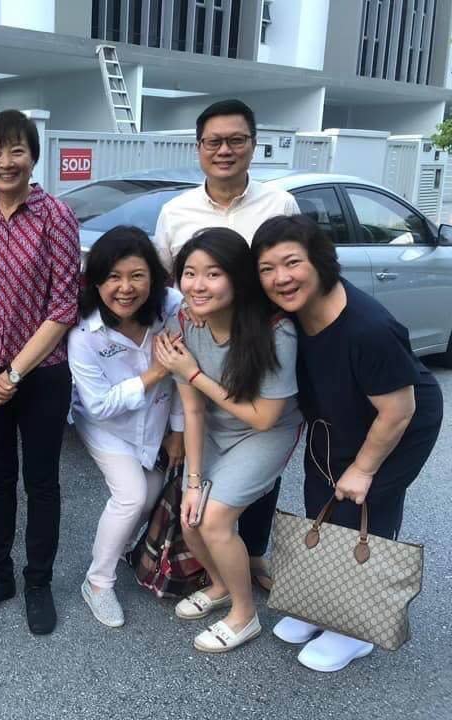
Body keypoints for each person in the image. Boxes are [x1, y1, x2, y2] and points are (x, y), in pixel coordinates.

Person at [252, 214, 442, 671]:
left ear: (320, 261)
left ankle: (356, 629)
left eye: (292, 263)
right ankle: (321, 608)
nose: (281, 278)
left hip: (395, 425)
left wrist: (364, 468)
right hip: (336, 423)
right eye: (266, 269)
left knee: (366, 514)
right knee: (323, 504)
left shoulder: (367, 328)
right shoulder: (292, 318)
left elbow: (399, 410)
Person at [152, 98, 300, 590]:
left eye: (236, 140)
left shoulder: (279, 204)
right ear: (198, 148)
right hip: (204, 347)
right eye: (213, 141)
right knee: (210, 467)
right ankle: (227, 561)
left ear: (253, 145)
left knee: (262, 465)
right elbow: (165, 284)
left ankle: (250, 555)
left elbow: (297, 274)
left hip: (263, 349)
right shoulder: (176, 212)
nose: (224, 150)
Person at [0, 109, 81, 635]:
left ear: (33, 156)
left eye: (16, 150)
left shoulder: (56, 217)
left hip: (42, 376)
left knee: (42, 482)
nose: (6, 161)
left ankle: (38, 581)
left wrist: (14, 374)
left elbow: (64, 307)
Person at [154, 227, 303, 653]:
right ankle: (219, 584)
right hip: (214, 427)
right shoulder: (184, 320)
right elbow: (194, 408)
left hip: (266, 434)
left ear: (238, 278)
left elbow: (264, 416)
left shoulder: (276, 331)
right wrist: (194, 479)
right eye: (189, 273)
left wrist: (194, 374)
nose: (197, 285)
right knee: (192, 515)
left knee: (216, 520)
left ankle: (244, 614)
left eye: (213, 274)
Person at [68, 226, 184, 628]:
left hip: (156, 421)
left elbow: (184, 377)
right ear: (96, 281)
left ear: (154, 277)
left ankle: (116, 549)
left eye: (137, 275)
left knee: (150, 492)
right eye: (113, 277)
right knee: (131, 496)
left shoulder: (172, 308)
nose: (125, 288)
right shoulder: (83, 333)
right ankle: (98, 582)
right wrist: (155, 373)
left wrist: (179, 432)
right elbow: (99, 406)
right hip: (104, 425)